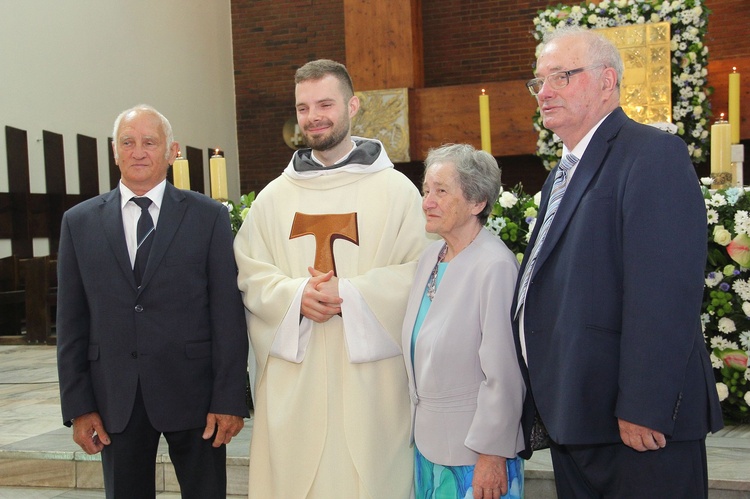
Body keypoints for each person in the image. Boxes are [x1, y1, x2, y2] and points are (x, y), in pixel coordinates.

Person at [512, 26, 724, 497]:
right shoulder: (561, 174)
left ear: (607, 81)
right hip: (580, 416)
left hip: (636, 427)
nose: (544, 92)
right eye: (538, 82)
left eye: (560, 77)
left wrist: (645, 404)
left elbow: (664, 292)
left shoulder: (651, 155)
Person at [234, 59, 429, 498]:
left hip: (371, 383)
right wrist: (294, 296)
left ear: (353, 105)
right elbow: (250, 270)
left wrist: (355, 294)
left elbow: (420, 271)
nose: (314, 117)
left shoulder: (397, 192)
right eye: (304, 108)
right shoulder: (274, 197)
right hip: (296, 378)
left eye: (325, 104)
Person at [56, 104, 249, 499]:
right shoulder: (79, 223)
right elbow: (71, 322)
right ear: (115, 151)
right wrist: (79, 406)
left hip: (196, 397)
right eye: (128, 142)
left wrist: (229, 398)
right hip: (115, 398)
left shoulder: (208, 217)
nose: (138, 151)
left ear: (171, 150)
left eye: (149, 142)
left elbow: (227, 315)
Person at [403, 144, 525, 499]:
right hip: (430, 450)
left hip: (477, 456)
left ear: (477, 202)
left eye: (441, 191)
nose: (427, 201)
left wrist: (492, 453)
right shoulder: (430, 259)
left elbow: (504, 375)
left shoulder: (495, 266)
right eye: (426, 190)